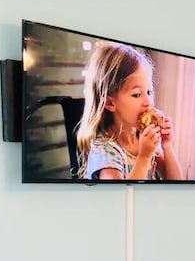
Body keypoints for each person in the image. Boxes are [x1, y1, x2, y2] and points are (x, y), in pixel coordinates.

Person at [76, 43, 183, 180]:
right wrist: (144, 157)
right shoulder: (105, 152)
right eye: (137, 94)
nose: (148, 102)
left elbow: (175, 181)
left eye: (149, 92)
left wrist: (167, 146)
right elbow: (119, 198)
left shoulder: (144, 139)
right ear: (110, 102)